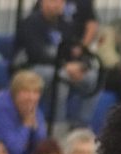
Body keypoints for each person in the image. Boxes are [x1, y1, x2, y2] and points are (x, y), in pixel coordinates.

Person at [12, 0, 100, 132]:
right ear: (42, 3)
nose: (56, 5)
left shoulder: (65, 25)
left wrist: (81, 66)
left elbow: (73, 50)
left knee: (94, 77)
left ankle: (81, 124)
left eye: (59, 2)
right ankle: (57, 126)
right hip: (31, 68)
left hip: (62, 67)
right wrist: (65, 66)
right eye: (52, 1)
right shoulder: (30, 22)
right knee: (61, 78)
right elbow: (36, 54)